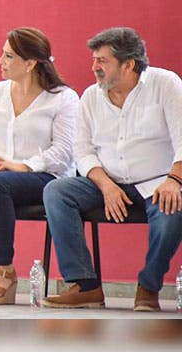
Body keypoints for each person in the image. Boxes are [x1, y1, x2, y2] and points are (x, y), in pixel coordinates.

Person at [42, 27, 182, 311]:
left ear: (128, 64)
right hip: (107, 181)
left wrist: (174, 180)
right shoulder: (91, 97)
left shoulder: (165, 84)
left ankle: (149, 287)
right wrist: (106, 186)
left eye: (102, 61)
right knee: (57, 191)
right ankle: (85, 285)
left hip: (159, 181)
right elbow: (82, 151)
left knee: (173, 210)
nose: (94, 67)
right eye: (94, 59)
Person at [0, 27, 78, 305]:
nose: (0, 61)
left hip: (44, 177)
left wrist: (21, 165)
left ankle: (3, 270)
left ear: (30, 63)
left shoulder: (63, 98)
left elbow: (64, 154)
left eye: (8, 56)